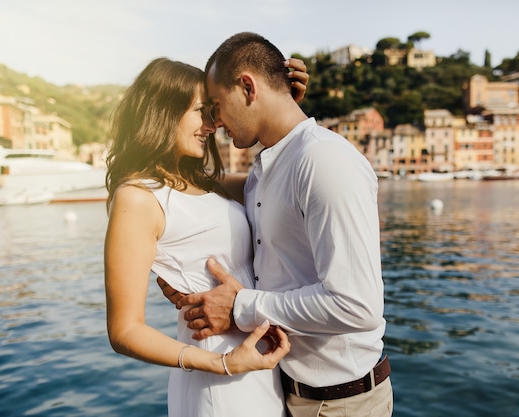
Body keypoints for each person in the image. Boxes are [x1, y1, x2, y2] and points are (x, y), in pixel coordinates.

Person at [159, 32, 393, 417]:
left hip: (342, 404)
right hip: (287, 393)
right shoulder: (266, 170)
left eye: (217, 106)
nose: (216, 122)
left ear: (248, 87)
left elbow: (357, 306)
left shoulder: (324, 161)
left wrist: (239, 308)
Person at [104, 56, 309, 417]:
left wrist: (280, 107)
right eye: (202, 111)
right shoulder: (137, 198)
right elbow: (125, 331)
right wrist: (222, 363)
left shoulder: (203, 183)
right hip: (219, 377)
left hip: (258, 366)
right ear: (163, 112)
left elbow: (277, 187)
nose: (212, 125)